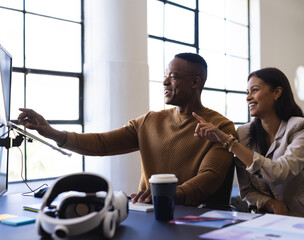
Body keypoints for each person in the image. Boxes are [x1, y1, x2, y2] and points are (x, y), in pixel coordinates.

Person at [17, 53, 236, 206]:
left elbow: (210, 177)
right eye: (165, 75)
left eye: (174, 76)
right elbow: (102, 143)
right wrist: (52, 132)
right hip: (148, 210)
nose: (164, 82)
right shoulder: (149, 121)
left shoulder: (221, 127)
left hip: (191, 217)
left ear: (196, 82)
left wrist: (166, 195)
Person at [193, 67, 304, 217]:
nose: (248, 97)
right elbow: (247, 190)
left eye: (254, 90)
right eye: (247, 92)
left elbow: (279, 173)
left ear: (277, 92)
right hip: (271, 218)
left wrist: (228, 142)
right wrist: (271, 203)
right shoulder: (243, 133)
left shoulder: (303, 128)